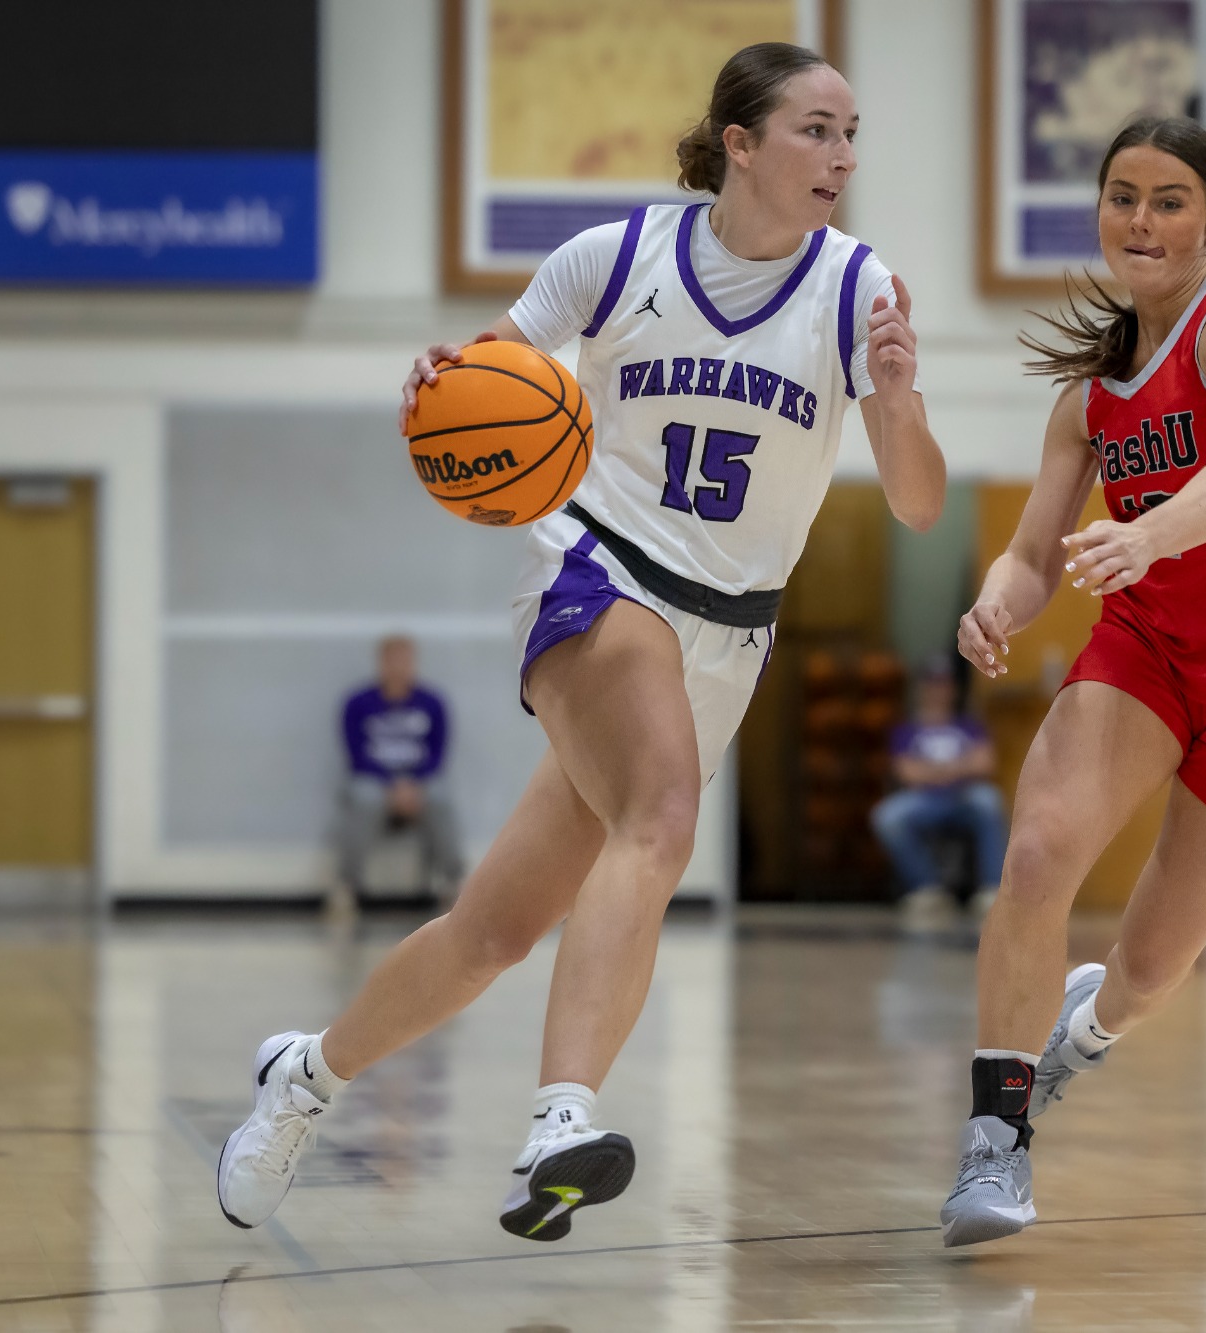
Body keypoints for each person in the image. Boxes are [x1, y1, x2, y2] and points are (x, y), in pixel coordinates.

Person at [217, 43, 943, 1242]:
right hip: (593, 572)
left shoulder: (861, 290)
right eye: (817, 129)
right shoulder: (612, 260)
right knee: (661, 819)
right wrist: (439, 381)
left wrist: (903, 400)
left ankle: (305, 1074)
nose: (844, 156)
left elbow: (917, 502)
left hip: (732, 635)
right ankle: (561, 1119)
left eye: (852, 131)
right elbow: (480, 376)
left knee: (493, 930)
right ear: (741, 143)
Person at [936, 117, 1206, 1246]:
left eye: (1168, 199)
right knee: (1035, 856)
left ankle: (1082, 1032)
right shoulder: (1089, 396)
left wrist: (1150, 533)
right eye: (1122, 195)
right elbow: (1031, 557)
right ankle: (995, 1143)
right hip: (1152, 649)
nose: (1141, 218)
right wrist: (994, 599)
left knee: (1146, 968)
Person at [870, 656, 1005, 922]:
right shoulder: (906, 730)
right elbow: (906, 772)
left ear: (952, 689)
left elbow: (985, 763)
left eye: (943, 684)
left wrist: (934, 772)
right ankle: (927, 888)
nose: (938, 690)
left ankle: (992, 888)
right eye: (932, 684)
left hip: (964, 798)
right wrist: (957, 769)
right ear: (922, 688)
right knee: (887, 816)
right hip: (923, 800)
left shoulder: (968, 726)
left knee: (989, 801)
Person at [335, 635, 464, 900]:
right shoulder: (357, 703)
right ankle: (347, 885)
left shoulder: (433, 703)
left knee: (441, 797)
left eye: (404, 660)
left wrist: (411, 784)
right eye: (392, 660)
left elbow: (437, 755)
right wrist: (392, 786)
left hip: (419, 780)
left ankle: (454, 881)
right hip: (374, 780)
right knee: (364, 798)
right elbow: (356, 755)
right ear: (380, 663)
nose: (398, 667)